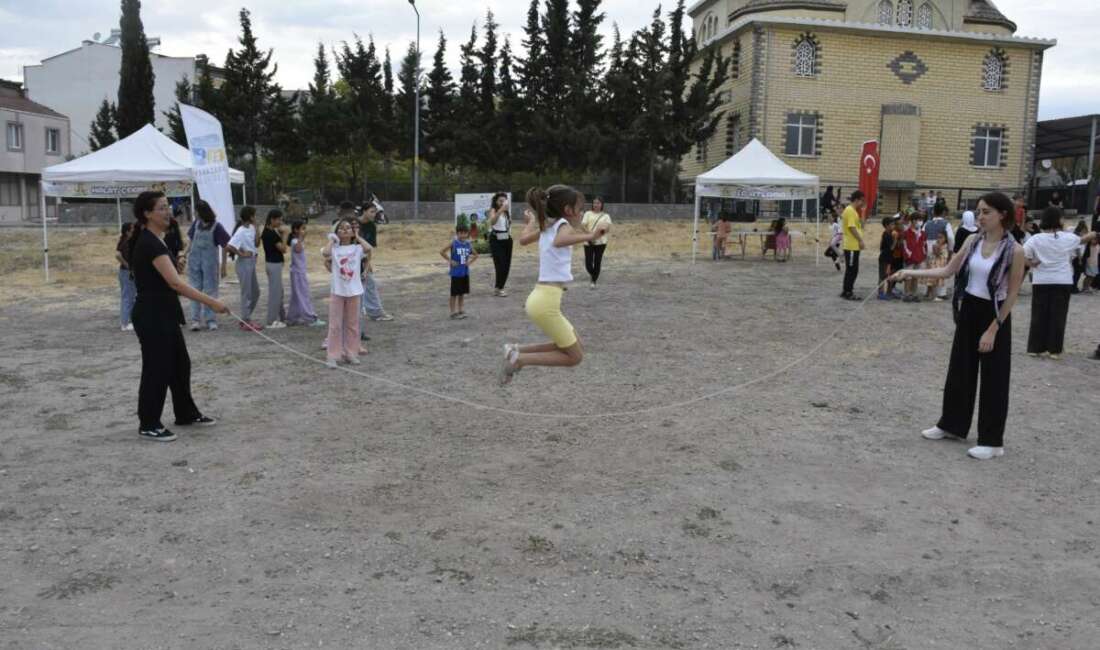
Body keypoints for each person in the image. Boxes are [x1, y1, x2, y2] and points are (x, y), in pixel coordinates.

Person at [891, 192, 1026, 460]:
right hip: (969, 309)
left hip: (994, 314)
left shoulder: (1015, 250)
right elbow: (947, 271)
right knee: (960, 370)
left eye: (986, 212)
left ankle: (992, 441)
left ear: (1003, 215)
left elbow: (1012, 294)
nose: (981, 217)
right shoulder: (973, 241)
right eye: (978, 211)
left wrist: (993, 328)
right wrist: (909, 272)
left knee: (994, 379)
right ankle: (952, 425)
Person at [127, 191, 227, 442]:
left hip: (165, 312)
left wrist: (177, 262)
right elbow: (176, 284)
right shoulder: (148, 242)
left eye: (167, 206)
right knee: (156, 369)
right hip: (152, 314)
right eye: (161, 208)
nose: (168, 211)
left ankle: (185, 412)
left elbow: (168, 275)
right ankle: (148, 423)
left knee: (180, 365)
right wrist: (211, 302)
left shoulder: (159, 239)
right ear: (147, 214)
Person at [498, 185, 608, 385]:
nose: (582, 212)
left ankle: (517, 350)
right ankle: (520, 360)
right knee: (575, 357)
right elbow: (560, 241)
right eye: (580, 208)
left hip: (541, 298)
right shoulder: (562, 226)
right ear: (568, 210)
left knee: (574, 346)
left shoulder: (548, 227)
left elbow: (522, 240)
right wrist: (591, 237)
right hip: (545, 303)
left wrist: (532, 222)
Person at [1023, 207, 1099, 359]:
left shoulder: (1035, 239)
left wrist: (1032, 264)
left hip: (1041, 281)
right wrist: (1094, 232)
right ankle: (1054, 350)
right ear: (1058, 220)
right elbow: (1084, 239)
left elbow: (1022, 255)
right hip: (1062, 280)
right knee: (1058, 316)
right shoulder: (1067, 238)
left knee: (1039, 315)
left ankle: (1035, 347)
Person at [321, 219, 372, 368]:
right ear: (336, 232)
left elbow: (368, 248)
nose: (345, 230)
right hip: (338, 291)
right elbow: (325, 253)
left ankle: (351, 353)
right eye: (341, 228)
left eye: (348, 228)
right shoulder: (335, 249)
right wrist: (332, 239)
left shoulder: (357, 249)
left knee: (353, 324)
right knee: (335, 325)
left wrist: (357, 236)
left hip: (354, 290)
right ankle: (333, 355)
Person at [184, 200, 231, 332]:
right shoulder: (196, 224)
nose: (194, 214)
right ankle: (195, 320)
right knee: (194, 290)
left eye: (196, 211)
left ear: (201, 212)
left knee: (210, 291)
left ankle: (211, 320)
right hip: (194, 262)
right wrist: (184, 254)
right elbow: (191, 240)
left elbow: (226, 246)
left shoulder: (217, 227)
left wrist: (223, 267)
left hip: (210, 264)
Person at [352, 202, 394, 330]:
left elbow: (369, 249)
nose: (374, 214)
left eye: (375, 212)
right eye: (371, 211)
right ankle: (362, 313)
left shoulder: (372, 226)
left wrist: (367, 264)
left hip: (363, 260)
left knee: (369, 283)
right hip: (350, 260)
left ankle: (374, 312)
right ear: (364, 211)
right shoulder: (353, 224)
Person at [226, 206, 262, 331]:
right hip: (244, 263)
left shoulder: (251, 227)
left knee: (255, 292)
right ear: (251, 216)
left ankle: (245, 317)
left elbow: (257, 243)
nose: (255, 218)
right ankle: (245, 320)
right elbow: (229, 246)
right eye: (254, 215)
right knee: (247, 293)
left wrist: (257, 227)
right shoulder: (240, 231)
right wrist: (241, 254)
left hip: (251, 262)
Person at [286, 220, 325, 328]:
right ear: (296, 230)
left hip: (298, 271)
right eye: (302, 229)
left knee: (296, 296)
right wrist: (301, 238)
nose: (304, 231)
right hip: (298, 272)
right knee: (304, 295)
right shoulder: (295, 241)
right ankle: (310, 318)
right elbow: (298, 249)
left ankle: (292, 318)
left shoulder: (296, 241)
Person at [441, 222, 479, 319]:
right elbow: (442, 251)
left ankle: (460, 310)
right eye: (460, 233)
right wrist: (450, 261)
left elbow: (476, 255)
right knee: (454, 293)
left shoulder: (468, 244)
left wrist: (469, 263)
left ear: (467, 234)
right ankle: (452, 312)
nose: (462, 235)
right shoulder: (454, 243)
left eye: (464, 233)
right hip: (456, 273)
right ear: (457, 234)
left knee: (462, 292)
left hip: (464, 272)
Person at [260, 209, 288, 329]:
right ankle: (271, 321)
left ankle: (282, 317)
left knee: (279, 292)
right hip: (273, 264)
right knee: (275, 293)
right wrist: (285, 235)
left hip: (273, 264)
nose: (281, 222)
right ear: (272, 219)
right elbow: (283, 248)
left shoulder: (270, 231)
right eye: (279, 219)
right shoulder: (270, 233)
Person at [840, 191, 866, 300]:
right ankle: (848, 292)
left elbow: (861, 225)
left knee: (853, 269)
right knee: (851, 269)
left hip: (854, 246)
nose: (862, 203)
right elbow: (851, 227)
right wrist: (860, 240)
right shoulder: (850, 210)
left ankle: (847, 290)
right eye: (862, 201)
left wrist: (863, 212)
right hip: (851, 245)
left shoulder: (854, 211)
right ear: (857, 199)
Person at [487, 192, 514, 296]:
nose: (502, 202)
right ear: (496, 201)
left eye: (504, 200)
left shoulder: (506, 212)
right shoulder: (494, 210)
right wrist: (501, 210)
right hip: (496, 239)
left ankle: (500, 287)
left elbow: (508, 225)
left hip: (506, 238)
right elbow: (492, 222)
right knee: (500, 264)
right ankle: (498, 288)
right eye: (500, 201)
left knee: (507, 264)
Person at [581, 197, 613, 286]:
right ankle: (592, 274)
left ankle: (594, 281)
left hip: (601, 242)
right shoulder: (587, 213)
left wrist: (599, 234)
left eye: (598, 203)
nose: (596, 205)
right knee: (588, 263)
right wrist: (590, 234)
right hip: (588, 240)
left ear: (602, 204)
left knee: (597, 261)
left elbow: (607, 228)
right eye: (594, 203)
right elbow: (583, 225)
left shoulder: (606, 216)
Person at [116, 222, 136, 331]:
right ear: (128, 231)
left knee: (130, 297)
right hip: (127, 272)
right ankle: (124, 323)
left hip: (125, 272)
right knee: (127, 297)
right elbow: (117, 255)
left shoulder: (123, 240)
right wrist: (127, 265)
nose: (134, 230)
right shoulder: (127, 242)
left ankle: (130, 321)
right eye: (132, 229)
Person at [902, 213, 927, 302]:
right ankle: (907, 294)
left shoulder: (923, 233)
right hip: (910, 258)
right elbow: (905, 246)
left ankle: (914, 293)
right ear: (912, 221)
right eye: (918, 220)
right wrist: (908, 255)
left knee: (916, 276)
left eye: (921, 220)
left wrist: (923, 255)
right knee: (908, 276)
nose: (920, 222)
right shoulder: (906, 233)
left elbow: (924, 245)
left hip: (919, 257)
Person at [924, 231, 950, 301]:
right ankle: (931, 294)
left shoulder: (946, 246)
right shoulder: (935, 245)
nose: (939, 239)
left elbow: (947, 255)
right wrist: (937, 246)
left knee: (937, 280)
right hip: (934, 265)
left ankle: (932, 294)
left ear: (945, 238)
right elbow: (936, 254)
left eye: (941, 238)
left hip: (941, 265)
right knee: (932, 280)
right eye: (938, 237)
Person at [877, 216, 896, 300]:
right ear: (886, 225)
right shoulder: (886, 235)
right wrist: (895, 239)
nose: (893, 226)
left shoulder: (889, 234)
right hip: (884, 259)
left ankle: (888, 292)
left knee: (889, 275)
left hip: (889, 258)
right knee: (883, 276)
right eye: (892, 224)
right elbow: (891, 248)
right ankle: (880, 293)